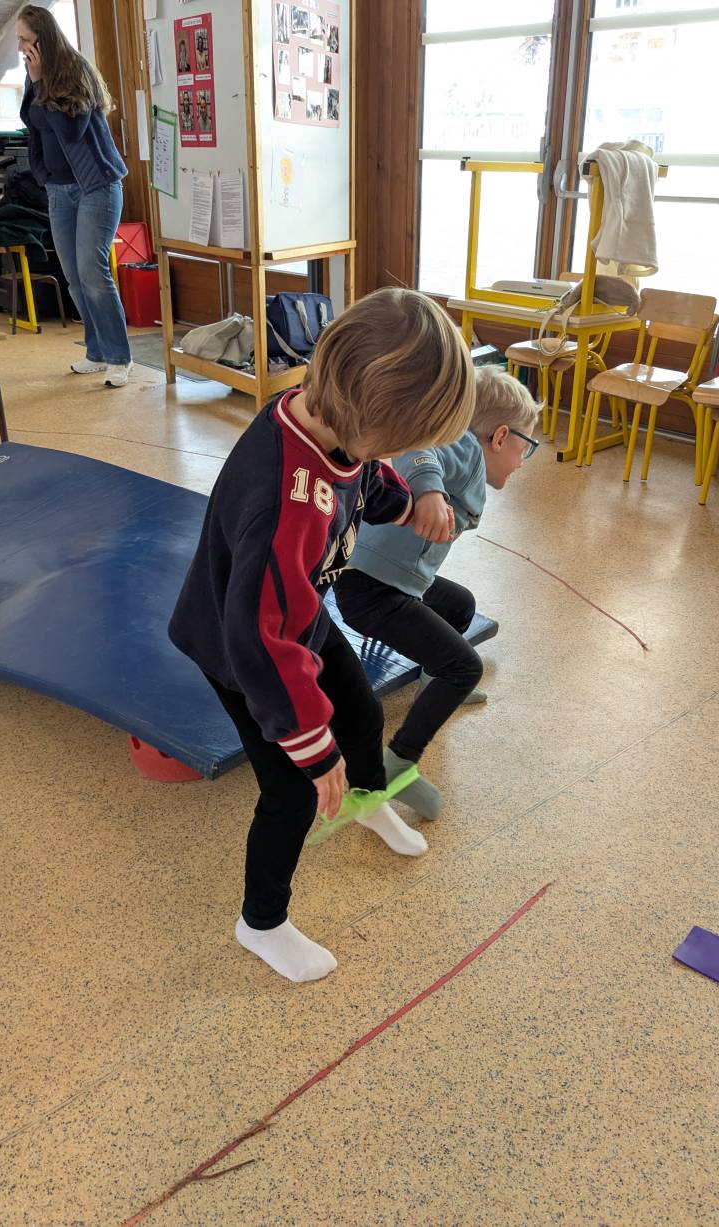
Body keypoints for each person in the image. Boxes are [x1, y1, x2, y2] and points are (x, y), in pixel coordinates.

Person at [168, 289, 475, 984]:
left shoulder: (330, 421)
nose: (397, 453)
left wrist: (410, 497)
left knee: (363, 711)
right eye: (400, 440)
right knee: (294, 791)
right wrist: (311, 745)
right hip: (241, 650)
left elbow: (363, 475)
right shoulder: (287, 499)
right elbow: (261, 640)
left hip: (292, 612)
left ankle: (368, 802)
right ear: (368, 415)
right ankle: (261, 922)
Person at [334, 365, 540, 821]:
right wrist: (428, 493)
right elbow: (419, 449)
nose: (524, 461)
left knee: (459, 604)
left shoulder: (472, 461)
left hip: (385, 578)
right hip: (371, 589)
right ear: (501, 436)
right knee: (463, 667)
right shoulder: (464, 447)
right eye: (528, 447)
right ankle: (399, 764)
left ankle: (433, 680)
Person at [18, 5, 133, 388]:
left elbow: (68, 130)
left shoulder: (74, 71)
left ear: (42, 39)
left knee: (93, 271)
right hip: (58, 189)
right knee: (73, 276)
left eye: (25, 40)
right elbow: (31, 126)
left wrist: (39, 82)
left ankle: (119, 356)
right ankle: (96, 351)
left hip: (96, 185)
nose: (21, 47)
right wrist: (42, 174)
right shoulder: (33, 77)